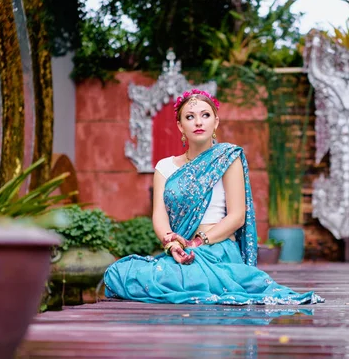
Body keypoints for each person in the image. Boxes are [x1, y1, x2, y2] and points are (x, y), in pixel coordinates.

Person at [104, 89, 323, 305]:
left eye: (205, 115)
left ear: (216, 122)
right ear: (180, 126)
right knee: (119, 273)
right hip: (182, 250)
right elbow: (159, 216)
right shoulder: (165, 167)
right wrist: (173, 246)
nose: (198, 122)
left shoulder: (227, 158)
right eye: (190, 117)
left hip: (219, 250)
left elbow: (237, 216)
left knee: (186, 279)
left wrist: (198, 242)